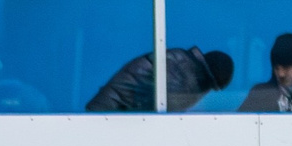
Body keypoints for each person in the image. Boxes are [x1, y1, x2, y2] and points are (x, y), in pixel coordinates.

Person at [83, 46, 232, 112]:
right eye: (212, 86)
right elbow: (167, 106)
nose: (208, 92)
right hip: (109, 115)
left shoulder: (183, 62)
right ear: (208, 76)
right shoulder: (182, 68)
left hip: (115, 115)